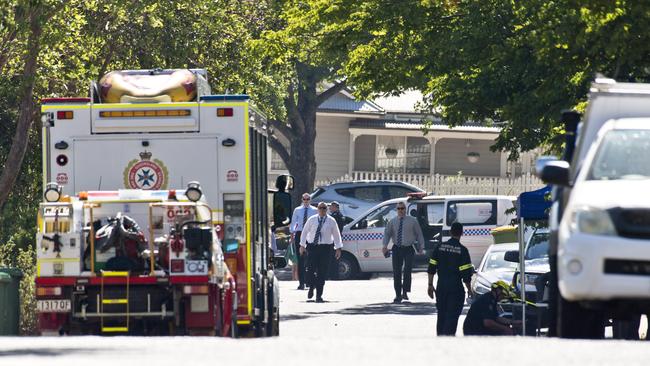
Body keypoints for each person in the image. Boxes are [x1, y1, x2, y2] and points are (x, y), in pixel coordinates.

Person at [427, 221, 473, 335]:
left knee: (441, 316)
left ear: (451, 232)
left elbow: (431, 267)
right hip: (455, 289)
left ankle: (440, 339)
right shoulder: (463, 250)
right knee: (451, 318)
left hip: (441, 288)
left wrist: (430, 285)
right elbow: (466, 275)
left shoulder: (440, 247)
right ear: (461, 233)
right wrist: (469, 289)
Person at [299, 201, 343, 302]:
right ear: (317, 209)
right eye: (320, 208)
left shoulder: (331, 221)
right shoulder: (312, 219)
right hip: (313, 247)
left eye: (324, 208)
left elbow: (336, 235)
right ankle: (312, 285)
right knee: (310, 270)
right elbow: (304, 232)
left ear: (327, 210)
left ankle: (319, 295)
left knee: (322, 272)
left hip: (326, 248)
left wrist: (338, 248)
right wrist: (302, 245)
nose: (322, 210)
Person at [382, 201, 425, 303]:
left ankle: (405, 291)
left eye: (402, 208)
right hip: (396, 248)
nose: (400, 210)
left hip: (408, 248)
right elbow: (387, 234)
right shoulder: (392, 221)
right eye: (399, 209)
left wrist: (421, 247)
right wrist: (384, 246)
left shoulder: (412, 221)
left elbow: (419, 234)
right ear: (396, 210)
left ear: (405, 209)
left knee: (407, 270)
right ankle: (398, 295)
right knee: (396, 272)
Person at [290, 193, 318, 290]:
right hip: (300, 233)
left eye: (308, 199)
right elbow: (294, 223)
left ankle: (309, 281)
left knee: (311, 258)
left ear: (310, 200)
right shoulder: (297, 210)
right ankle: (301, 282)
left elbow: (316, 222)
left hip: (311, 234)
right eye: (304, 199)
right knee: (300, 259)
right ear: (302, 200)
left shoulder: (314, 210)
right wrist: (292, 234)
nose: (306, 201)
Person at [328, 201, 345, 280]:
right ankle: (334, 275)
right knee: (335, 258)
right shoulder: (340, 215)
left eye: (331, 206)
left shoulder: (335, 216)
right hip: (337, 239)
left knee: (333, 259)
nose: (329, 208)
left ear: (335, 207)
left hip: (334, 240)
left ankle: (333, 276)